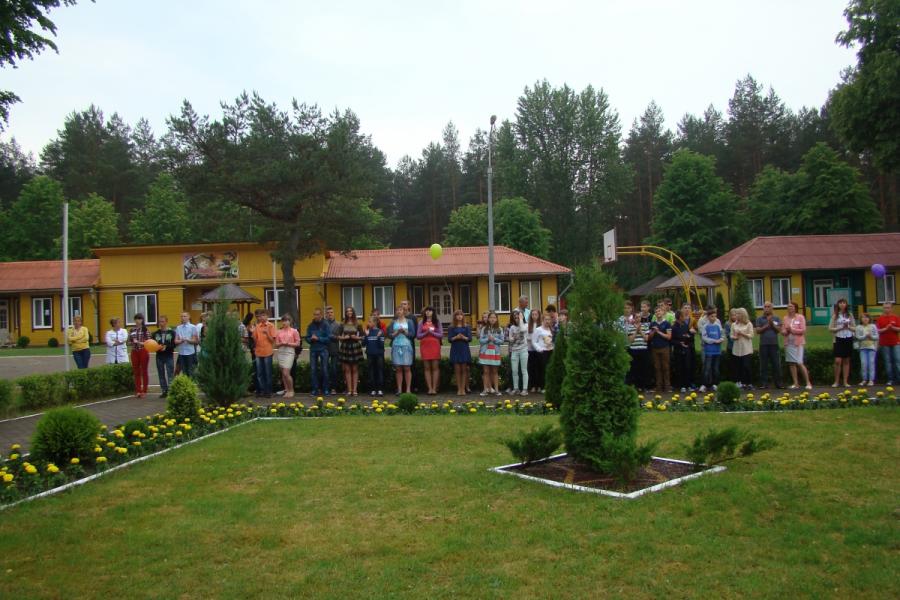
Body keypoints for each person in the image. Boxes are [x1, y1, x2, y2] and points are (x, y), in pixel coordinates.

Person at [782, 301, 812, 390]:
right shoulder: (785, 318)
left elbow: (803, 330)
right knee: (791, 363)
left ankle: (808, 382)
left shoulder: (800, 317)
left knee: (799, 362)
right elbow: (783, 331)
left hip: (798, 343)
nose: (789, 308)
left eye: (791, 306)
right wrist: (785, 331)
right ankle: (795, 383)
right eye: (788, 306)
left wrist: (792, 330)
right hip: (789, 343)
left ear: (795, 308)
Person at [622, 301, 650, 391]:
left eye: (639, 317)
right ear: (634, 318)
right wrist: (636, 331)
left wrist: (640, 331)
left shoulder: (645, 326)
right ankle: (635, 386)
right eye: (636, 317)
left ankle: (643, 386)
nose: (638, 318)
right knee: (634, 368)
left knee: (643, 368)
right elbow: (630, 340)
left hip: (643, 350)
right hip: (633, 350)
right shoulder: (630, 327)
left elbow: (646, 338)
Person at [828, 298, 856, 388]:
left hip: (848, 337)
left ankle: (845, 381)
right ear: (838, 305)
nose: (842, 304)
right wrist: (840, 328)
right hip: (838, 338)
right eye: (840, 303)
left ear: (846, 304)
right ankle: (836, 381)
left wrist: (848, 327)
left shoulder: (850, 315)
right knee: (838, 360)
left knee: (846, 360)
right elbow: (830, 328)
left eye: (844, 303)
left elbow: (855, 328)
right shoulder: (835, 315)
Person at [754, 302, 783, 389]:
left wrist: (772, 323)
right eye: (765, 307)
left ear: (772, 308)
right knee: (763, 364)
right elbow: (758, 331)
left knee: (776, 364)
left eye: (768, 306)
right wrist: (767, 325)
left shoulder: (776, 318)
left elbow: (778, 330)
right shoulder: (759, 319)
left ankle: (778, 383)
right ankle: (764, 383)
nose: (766, 308)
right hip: (763, 344)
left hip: (774, 344)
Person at [417, 306, 443, 395]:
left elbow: (441, 335)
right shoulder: (421, 322)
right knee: (427, 368)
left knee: (435, 367)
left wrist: (432, 333)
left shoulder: (437, 322)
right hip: (425, 346)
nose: (428, 312)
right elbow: (418, 336)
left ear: (433, 312)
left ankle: (434, 388)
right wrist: (426, 333)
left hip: (435, 346)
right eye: (427, 311)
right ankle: (429, 388)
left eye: (430, 310)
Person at [338, 307, 364, 396]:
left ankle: (355, 390)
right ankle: (349, 390)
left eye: (351, 311)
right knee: (347, 370)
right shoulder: (342, 324)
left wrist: (356, 337)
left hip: (355, 346)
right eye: (347, 311)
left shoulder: (357, 324)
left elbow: (362, 336)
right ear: (345, 313)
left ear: (353, 312)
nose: (349, 312)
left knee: (355, 369)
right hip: (345, 346)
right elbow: (338, 336)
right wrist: (343, 338)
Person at [250, 309, 276, 398]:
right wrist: (252, 332)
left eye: (264, 315)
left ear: (267, 316)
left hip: (268, 352)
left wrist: (267, 333)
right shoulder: (257, 326)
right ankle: (261, 391)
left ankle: (268, 391)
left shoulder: (271, 326)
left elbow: (273, 341)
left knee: (268, 373)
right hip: (258, 352)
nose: (262, 317)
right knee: (259, 373)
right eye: (260, 316)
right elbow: (255, 340)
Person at [305, 308, 331, 397]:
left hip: (323, 349)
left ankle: (326, 389)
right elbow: (307, 338)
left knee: (325, 370)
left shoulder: (326, 325)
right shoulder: (310, 326)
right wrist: (311, 339)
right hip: (313, 349)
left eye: (317, 314)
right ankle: (315, 390)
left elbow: (329, 338)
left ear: (321, 315)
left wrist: (318, 338)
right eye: (314, 314)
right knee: (313, 370)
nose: (316, 316)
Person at [389, 305, 414, 395]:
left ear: (404, 311)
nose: (399, 311)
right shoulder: (393, 322)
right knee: (398, 368)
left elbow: (412, 334)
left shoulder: (409, 321)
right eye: (397, 310)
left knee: (407, 367)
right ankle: (399, 389)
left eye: (400, 310)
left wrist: (404, 331)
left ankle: (408, 389)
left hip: (406, 346)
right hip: (396, 345)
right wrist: (397, 332)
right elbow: (390, 335)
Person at [648, 305, 672, 394]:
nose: (658, 313)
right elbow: (649, 337)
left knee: (665, 367)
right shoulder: (652, 324)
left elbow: (669, 337)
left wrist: (658, 332)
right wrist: (653, 331)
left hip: (664, 347)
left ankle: (667, 387)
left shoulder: (667, 323)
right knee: (657, 368)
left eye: (659, 311)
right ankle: (658, 386)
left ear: (663, 312)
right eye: (656, 312)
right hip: (655, 348)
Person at [479, 311, 504, 396]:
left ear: (496, 319)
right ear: (488, 319)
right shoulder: (484, 329)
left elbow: (502, 341)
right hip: (485, 352)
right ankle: (485, 390)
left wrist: (494, 339)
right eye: (491, 317)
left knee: (495, 372)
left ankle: (496, 390)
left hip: (495, 353)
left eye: (494, 317)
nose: (492, 319)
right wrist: (487, 339)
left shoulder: (500, 329)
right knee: (486, 371)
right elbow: (481, 340)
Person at [275, 315, 300, 399]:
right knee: (283, 373)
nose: (284, 322)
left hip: (289, 352)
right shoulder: (279, 331)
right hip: (281, 352)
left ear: (290, 321)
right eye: (283, 321)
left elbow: (297, 343)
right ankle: (286, 389)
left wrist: (288, 343)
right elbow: (276, 344)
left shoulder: (294, 331)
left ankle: (291, 390)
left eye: (286, 321)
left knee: (286, 373)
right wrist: (281, 343)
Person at [671, 306, 696, 392]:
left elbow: (689, 335)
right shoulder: (674, 327)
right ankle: (681, 385)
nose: (685, 317)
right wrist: (679, 343)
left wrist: (689, 335)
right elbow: (672, 340)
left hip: (686, 350)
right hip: (678, 351)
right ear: (679, 317)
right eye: (683, 316)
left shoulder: (685, 325)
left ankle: (687, 384)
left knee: (687, 367)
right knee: (679, 368)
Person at [700, 306, 724, 392]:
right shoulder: (705, 326)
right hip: (709, 351)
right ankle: (704, 385)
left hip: (717, 351)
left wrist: (720, 340)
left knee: (716, 369)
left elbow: (722, 335)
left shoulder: (718, 325)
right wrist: (714, 341)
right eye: (712, 316)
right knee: (707, 368)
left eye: (715, 316)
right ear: (708, 317)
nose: (714, 318)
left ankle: (715, 384)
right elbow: (704, 337)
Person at [448, 310, 472, 396]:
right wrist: (456, 337)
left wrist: (463, 337)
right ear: (455, 317)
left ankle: (463, 388)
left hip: (464, 349)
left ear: (463, 316)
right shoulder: (451, 327)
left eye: (461, 315)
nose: (459, 316)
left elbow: (470, 338)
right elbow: (449, 339)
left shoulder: (466, 326)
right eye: (457, 315)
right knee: (457, 370)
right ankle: (459, 389)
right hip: (455, 349)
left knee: (464, 370)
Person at [152, 315, 177, 398]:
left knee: (170, 374)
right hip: (159, 356)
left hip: (169, 355)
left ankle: (171, 391)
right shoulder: (155, 333)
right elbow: (152, 345)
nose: (161, 323)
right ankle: (164, 391)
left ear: (166, 322)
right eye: (160, 322)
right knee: (161, 374)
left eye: (162, 321)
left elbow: (174, 344)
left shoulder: (172, 333)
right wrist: (158, 348)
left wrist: (167, 347)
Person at [730, 308, 755, 389]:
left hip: (746, 349)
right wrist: (735, 337)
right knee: (738, 366)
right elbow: (731, 335)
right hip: (737, 348)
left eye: (738, 314)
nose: (736, 315)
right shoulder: (734, 324)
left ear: (743, 315)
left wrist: (742, 333)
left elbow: (751, 335)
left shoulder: (749, 324)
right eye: (736, 314)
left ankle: (749, 383)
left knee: (746, 366)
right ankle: (739, 382)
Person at [876, 301, 900, 385]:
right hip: (884, 343)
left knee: (897, 360)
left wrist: (892, 327)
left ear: (891, 308)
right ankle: (890, 379)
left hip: (895, 342)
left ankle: (898, 378)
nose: (886, 309)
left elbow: (899, 329)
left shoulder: (896, 317)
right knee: (888, 362)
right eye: (885, 308)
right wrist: (886, 328)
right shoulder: (880, 319)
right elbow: (877, 330)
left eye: (888, 308)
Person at [127, 313, 151, 398]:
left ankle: (144, 390)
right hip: (134, 351)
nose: (138, 321)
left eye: (139, 319)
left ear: (142, 320)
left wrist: (139, 342)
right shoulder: (131, 330)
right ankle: (138, 390)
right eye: (136, 319)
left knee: (144, 371)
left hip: (143, 351)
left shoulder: (145, 330)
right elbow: (128, 342)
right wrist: (132, 342)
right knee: (136, 371)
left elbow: (149, 342)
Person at [507, 309, 529, 396]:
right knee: (514, 370)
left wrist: (521, 319)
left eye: (518, 317)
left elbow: (523, 329)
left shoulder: (525, 325)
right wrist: (513, 338)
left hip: (523, 350)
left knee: (524, 370)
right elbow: (510, 339)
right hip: (514, 350)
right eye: (515, 318)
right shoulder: (512, 327)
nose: (517, 319)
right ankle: (516, 388)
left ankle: (525, 389)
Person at [531, 314, 555, 393]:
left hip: (550, 351)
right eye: (546, 319)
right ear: (542, 320)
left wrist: (553, 347)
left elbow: (553, 340)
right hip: (542, 352)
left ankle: (549, 386)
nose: (547, 321)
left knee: (549, 369)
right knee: (542, 370)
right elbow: (534, 341)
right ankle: (542, 386)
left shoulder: (551, 329)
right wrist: (539, 349)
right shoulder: (538, 329)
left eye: (549, 319)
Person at [364, 314, 386, 396]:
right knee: (371, 372)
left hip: (379, 355)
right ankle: (373, 389)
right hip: (370, 355)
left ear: (375, 323)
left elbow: (381, 345)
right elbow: (363, 344)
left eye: (370, 322)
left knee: (379, 371)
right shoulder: (368, 332)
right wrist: (366, 336)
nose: (368, 323)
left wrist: (378, 337)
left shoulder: (380, 332)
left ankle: (380, 389)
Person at [855, 312, 879, 386]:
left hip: (871, 347)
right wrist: (865, 336)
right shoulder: (858, 327)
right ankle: (864, 379)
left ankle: (871, 380)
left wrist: (871, 336)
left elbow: (877, 336)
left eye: (866, 317)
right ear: (861, 319)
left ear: (869, 319)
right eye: (863, 317)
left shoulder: (873, 326)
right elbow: (858, 337)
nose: (865, 319)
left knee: (871, 363)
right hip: (863, 348)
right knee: (864, 363)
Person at [174, 312, 200, 379]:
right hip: (181, 352)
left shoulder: (193, 327)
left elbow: (196, 341)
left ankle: (192, 383)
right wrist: (181, 341)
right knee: (184, 371)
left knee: (191, 371)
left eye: (185, 316)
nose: (183, 318)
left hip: (190, 352)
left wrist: (188, 340)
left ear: (189, 317)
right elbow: (175, 341)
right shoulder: (178, 327)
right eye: (182, 316)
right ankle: (186, 383)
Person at [324, 306, 343, 395]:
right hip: (325, 349)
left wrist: (336, 337)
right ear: (326, 314)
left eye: (331, 312)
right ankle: (325, 387)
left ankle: (334, 388)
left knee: (334, 369)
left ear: (333, 313)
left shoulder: (339, 324)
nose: (330, 314)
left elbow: (341, 336)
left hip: (335, 349)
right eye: (328, 313)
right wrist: (335, 337)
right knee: (325, 369)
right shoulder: (323, 324)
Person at [526, 308, 543, 393]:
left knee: (539, 368)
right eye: (532, 314)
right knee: (531, 368)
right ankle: (533, 386)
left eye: (536, 314)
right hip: (531, 350)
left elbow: (541, 337)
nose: (534, 316)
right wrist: (533, 339)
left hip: (539, 349)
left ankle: (539, 386)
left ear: (539, 315)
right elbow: (527, 337)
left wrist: (534, 339)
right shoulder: (528, 325)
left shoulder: (541, 325)